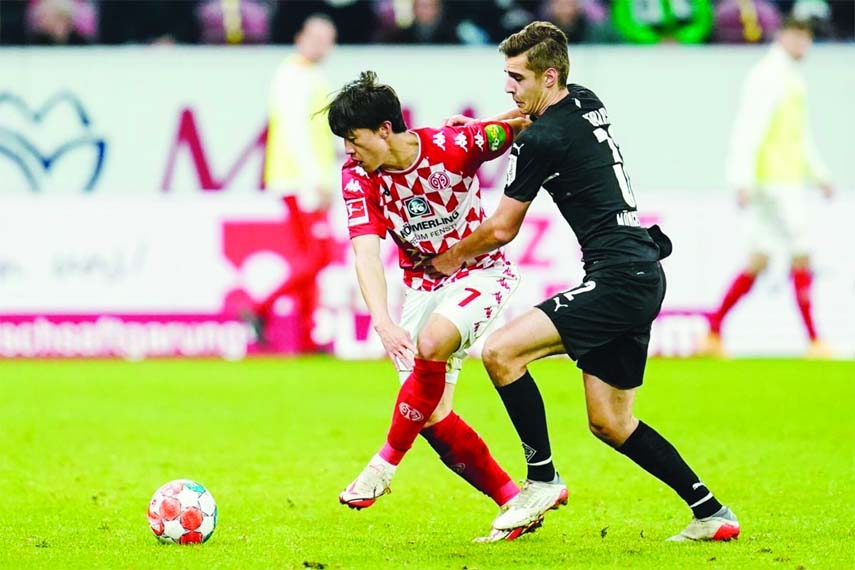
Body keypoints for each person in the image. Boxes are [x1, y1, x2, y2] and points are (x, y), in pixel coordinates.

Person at [430, 21, 740, 542]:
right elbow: (531, 123)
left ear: (547, 77)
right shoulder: (583, 100)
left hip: (619, 278)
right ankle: (712, 514)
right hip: (639, 270)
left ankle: (541, 479)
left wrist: (451, 257)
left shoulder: (544, 140)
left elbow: (503, 227)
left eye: (516, 77)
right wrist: (483, 125)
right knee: (611, 423)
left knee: (501, 353)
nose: (508, 87)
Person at [325, 70, 555, 542]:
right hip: (422, 286)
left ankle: (382, 466)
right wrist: (384, 321)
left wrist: (497, 120)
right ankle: (516, 501)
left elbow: (530, 122)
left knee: (432, 344)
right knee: (428, 415)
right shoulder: (357, 177)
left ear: (385, 130)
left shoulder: (454, 146)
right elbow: (366, 252)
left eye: (353, 139)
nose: (348, 151)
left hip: (481, 272)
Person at [701, 16, 833, 359]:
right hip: (775, 183)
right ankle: (815, 341)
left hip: (777, 180)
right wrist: (741, 177)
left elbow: (797, 136)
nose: (804, 45)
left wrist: (818, 175)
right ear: (784, 36)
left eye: (808, 39)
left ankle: (713, 331)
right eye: (799, 37)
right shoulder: (769, 76)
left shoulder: (789, 76)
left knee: (758, 258)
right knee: (801, 251)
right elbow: (749, 127)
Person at [243, 14, 338, 352]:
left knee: (310, 257)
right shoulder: (294, 76)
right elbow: (297, 131)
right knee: (319, 255)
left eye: (328, 39)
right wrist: (316, 179)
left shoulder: (310, 74)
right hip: (300, 181)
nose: (321, 45)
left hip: (304, 177)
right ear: (300, 37)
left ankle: (308, 337)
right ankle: (260, 307)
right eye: (315, 37)